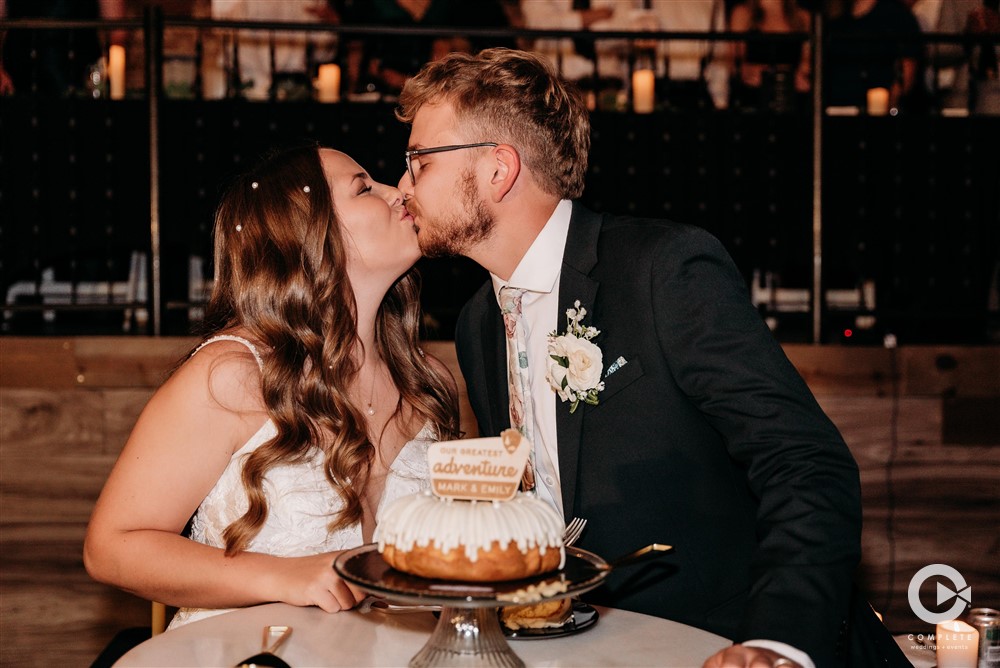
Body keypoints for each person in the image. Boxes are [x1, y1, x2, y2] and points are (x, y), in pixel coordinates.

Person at [395, 48, 909, 667]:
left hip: (728, 642)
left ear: (499, 169)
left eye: (419, 162)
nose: (404, 186)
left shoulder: (662, 270)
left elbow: (807, 464)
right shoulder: (479, 321)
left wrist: (776, 642)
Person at [83, 144, 460, 628]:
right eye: (365, 188)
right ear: (310, 235)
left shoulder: (425, 382)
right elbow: (112, 546)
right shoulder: (234, 375)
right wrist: (284, 577)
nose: (400, 191)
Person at [729, 0, 812, 112]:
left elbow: (806, 65)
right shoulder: (743, 14)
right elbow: (735, 63)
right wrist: (760, 74)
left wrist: (787, 78)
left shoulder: (802, 17)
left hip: (792, 98)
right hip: (753, 97)